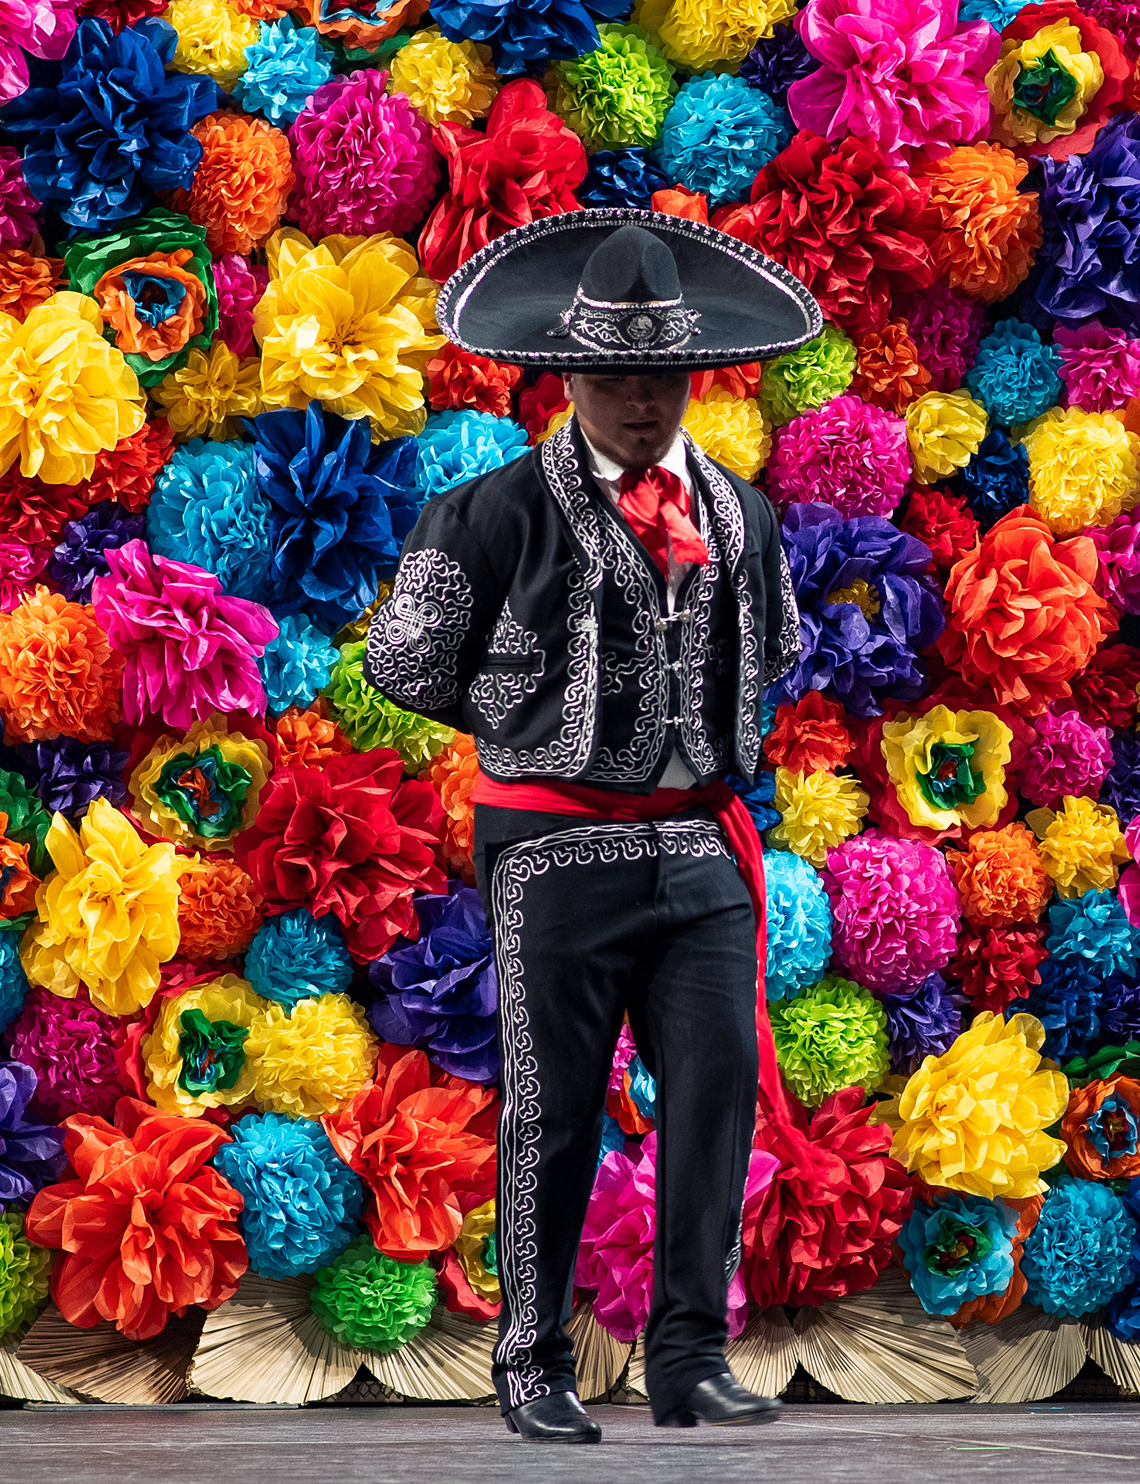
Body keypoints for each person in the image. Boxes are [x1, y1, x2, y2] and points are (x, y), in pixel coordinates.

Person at [364, 217, 821, 1443]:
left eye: (658, 378)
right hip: (555, 847)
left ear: (692, 379)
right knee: (551, 1105)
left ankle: (688, 1359)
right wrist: (521, 693)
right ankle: (530, 1363)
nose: (636, 401)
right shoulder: (489, 511)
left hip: (700, 846)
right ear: (569, 379)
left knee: (717, 1091)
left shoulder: (743, 514)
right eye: (613, 377)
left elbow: (781, 647)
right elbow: (402, 659)